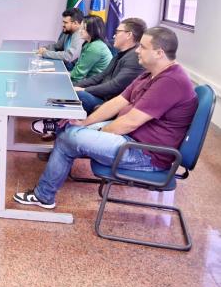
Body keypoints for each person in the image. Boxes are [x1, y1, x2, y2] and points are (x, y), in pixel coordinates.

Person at [15, 26, 198, 209]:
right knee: (70, 131)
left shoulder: (171, 81)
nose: (137, 50)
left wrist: (97, 131)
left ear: (159, 53)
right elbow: (118, 101)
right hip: (132, 139)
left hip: (144, 153)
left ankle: (44, 195)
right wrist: (83, 123)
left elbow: (129, 122)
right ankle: (45, 193)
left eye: (142, 47)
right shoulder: (150, 74)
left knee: (68, 137)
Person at [74, 18, 146, 114]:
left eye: (117, 32)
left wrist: (84, 89)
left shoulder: (134, 57)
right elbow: (101, 76)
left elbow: (114, 86)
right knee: (73, 90)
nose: (114, 35)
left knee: (78, 95)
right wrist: (75, 86)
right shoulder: (122, 53)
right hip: (102, 96)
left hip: (109, 104)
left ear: (129, 35)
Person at [69, 15, 113, 82]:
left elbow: (78, 75)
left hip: (96, 84)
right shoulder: (89, 43)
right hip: (89, 80)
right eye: (80, 28)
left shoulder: (95, 47)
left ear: (93, 29)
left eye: (83, 28)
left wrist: (65, 78)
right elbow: (78, 69)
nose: (80, 31)